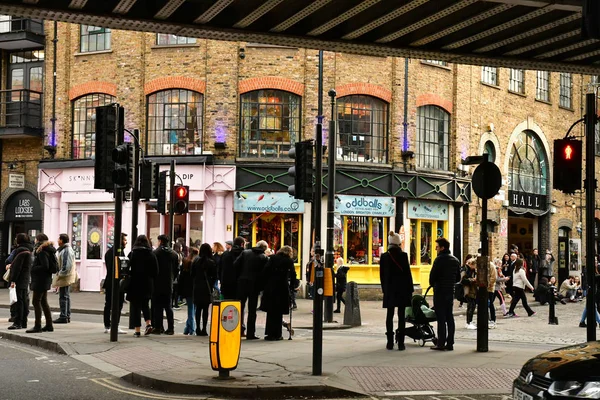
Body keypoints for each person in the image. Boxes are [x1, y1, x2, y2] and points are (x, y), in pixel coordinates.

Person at [379, 231, 413, 350]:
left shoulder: (384, 257)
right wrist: (410, 289)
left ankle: (389, 342)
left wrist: (385, 289)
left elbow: (382, 275)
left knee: (389, 315)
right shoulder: (403, 256)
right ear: (398, 243)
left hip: (390, 290)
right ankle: (401, 343)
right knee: (401, 315)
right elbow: (408, 274)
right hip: (402, 290)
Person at [428, 237, 461, 351]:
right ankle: (450, 342)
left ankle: (441, 343)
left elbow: (432, 278)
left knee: (441, 318)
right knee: (449, 317)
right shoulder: (455, 260)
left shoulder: (439, 260)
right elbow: (458, 278)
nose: (436, 249)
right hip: (450, 292)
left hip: (440, 291)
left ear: (442, 248)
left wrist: (434, 283)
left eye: (437, 247)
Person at [234, 240, 269, 339]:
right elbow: (265, 273)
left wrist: (240, 276)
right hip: (254, 286)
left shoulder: (245, 252)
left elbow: (236, 265)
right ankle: (250, 333)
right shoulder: (264, 257)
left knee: (240, 308)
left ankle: (238, 330)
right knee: (252, 310)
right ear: (264, 249)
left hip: (242, 283)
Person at [261, 245, 296, 341]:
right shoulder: (289, 261)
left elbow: (265, 271)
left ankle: (269, 333)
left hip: (271, 287)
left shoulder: (272, 258)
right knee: (278, 311)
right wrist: (293, 286)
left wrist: (264, 284)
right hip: (281, 287)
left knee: (271, 311)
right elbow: (293, 274)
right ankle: (277, 334)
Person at [127, 235, 159, 337]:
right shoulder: (151, 254)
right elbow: (156, 271)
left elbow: (126, 268)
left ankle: (137, 330)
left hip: (135, 283)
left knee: (136, 306)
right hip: (147, 284)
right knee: (145, 305)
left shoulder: (132, 254)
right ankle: (148, 324)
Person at [27, 233, 56, 333]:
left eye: (35, 239)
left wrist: (33, 268)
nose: (34, 240)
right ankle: (49, 325)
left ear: (38, 240)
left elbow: (45, 266)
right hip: (45, 279)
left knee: (36, 301)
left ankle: (37, 325)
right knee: (43, 302)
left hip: (40, 280)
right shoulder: (48, 250)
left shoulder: (42, 251)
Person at [152, 234, 178, 335]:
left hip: (157, 283)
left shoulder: (155, 253)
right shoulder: (174, 254)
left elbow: (153, 269)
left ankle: (158, 327)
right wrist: (172, 278)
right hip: (168, 283)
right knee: (168, 307)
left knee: (158, 307)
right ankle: (170, 328)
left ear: (160, 241)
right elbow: (176, 270)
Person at [7, 233, 33, 330]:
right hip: (25, 278)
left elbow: (17, 267)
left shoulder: (20, 251)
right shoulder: (29, 250)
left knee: (19, 301)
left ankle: (18, 322)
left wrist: (13, 280)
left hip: (20, 279)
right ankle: (24, 322)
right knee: (24, 300)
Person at [103, 233, 128, 334]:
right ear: (120, 240)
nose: (126, 242)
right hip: (115, 282)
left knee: (109, 304)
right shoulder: (116, 252)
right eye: (125, 240)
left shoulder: (111, 251)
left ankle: (109, 325)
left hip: (110, 282)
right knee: (116, 304)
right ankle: (112, 325)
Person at [192, 243, 218, 336]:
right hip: (207, 288)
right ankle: (204, 329)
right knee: (206, 309)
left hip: (197, 287)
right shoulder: (211, 262)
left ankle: (197, 328)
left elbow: (192, 274)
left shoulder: (196, 261)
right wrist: (211, 284)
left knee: (198, 309)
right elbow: (215, 276)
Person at [53, 233, 77, 324]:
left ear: (62, 240)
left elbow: (67, 265)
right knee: (65, 296)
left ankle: (64, 316)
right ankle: (66, 315)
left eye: (58, 239)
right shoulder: (65, 249)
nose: (57, 241)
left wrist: (60, 274)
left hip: (65, 276)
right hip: (66, 275)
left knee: (63, 296)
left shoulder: (66, 250)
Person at [179, 247, 198, 335]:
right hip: (195, 288)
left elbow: (182, 277)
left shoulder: (185, 262)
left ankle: (187, 328)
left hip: (187, 288)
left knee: (191, 308)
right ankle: (192, 329)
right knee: (193, 309)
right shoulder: (196, 262)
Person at [462, 258, 478, 329]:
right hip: (468, 290)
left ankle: (469, 321)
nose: (475, 267)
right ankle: (469, 322)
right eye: (474, 265)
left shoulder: (472, 270)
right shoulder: (465, 269)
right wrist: (472, 280)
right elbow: (462, 280)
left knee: (472, 306)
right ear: (471, 264)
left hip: (472, 290)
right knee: (471, 306)